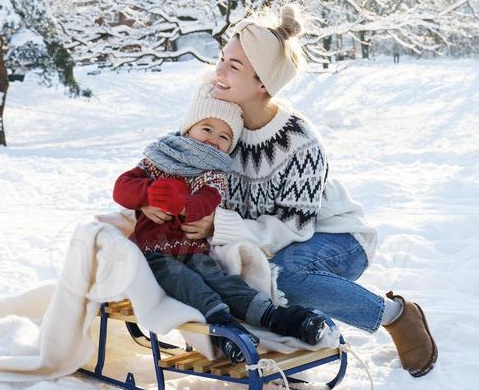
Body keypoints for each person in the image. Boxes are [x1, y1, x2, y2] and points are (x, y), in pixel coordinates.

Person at [179, 4, 438, 378]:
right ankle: (276, 333)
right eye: (222, 59)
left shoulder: (297, 141)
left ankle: (397, 316)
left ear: (262, 83)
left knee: (281, 277)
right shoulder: (218, 117)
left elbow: (294, 229)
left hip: (336, 237)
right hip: (265, 243)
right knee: (234, 273)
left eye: (233, 67)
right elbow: (180, 156)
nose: (218, 72)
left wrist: (219, 225)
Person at [112, 85, 328, 364]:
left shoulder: (213, 173)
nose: (214, 139)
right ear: (189, 128)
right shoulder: (158, 160)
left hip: (195, 251)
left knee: (223, 281)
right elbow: (122, 188)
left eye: (224, 136)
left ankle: (276, 317)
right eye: (206, 129)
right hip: (153, 253)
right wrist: (147, 196)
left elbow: (207, 202)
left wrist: (181, 203)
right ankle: (223, 327)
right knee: (188, 283)